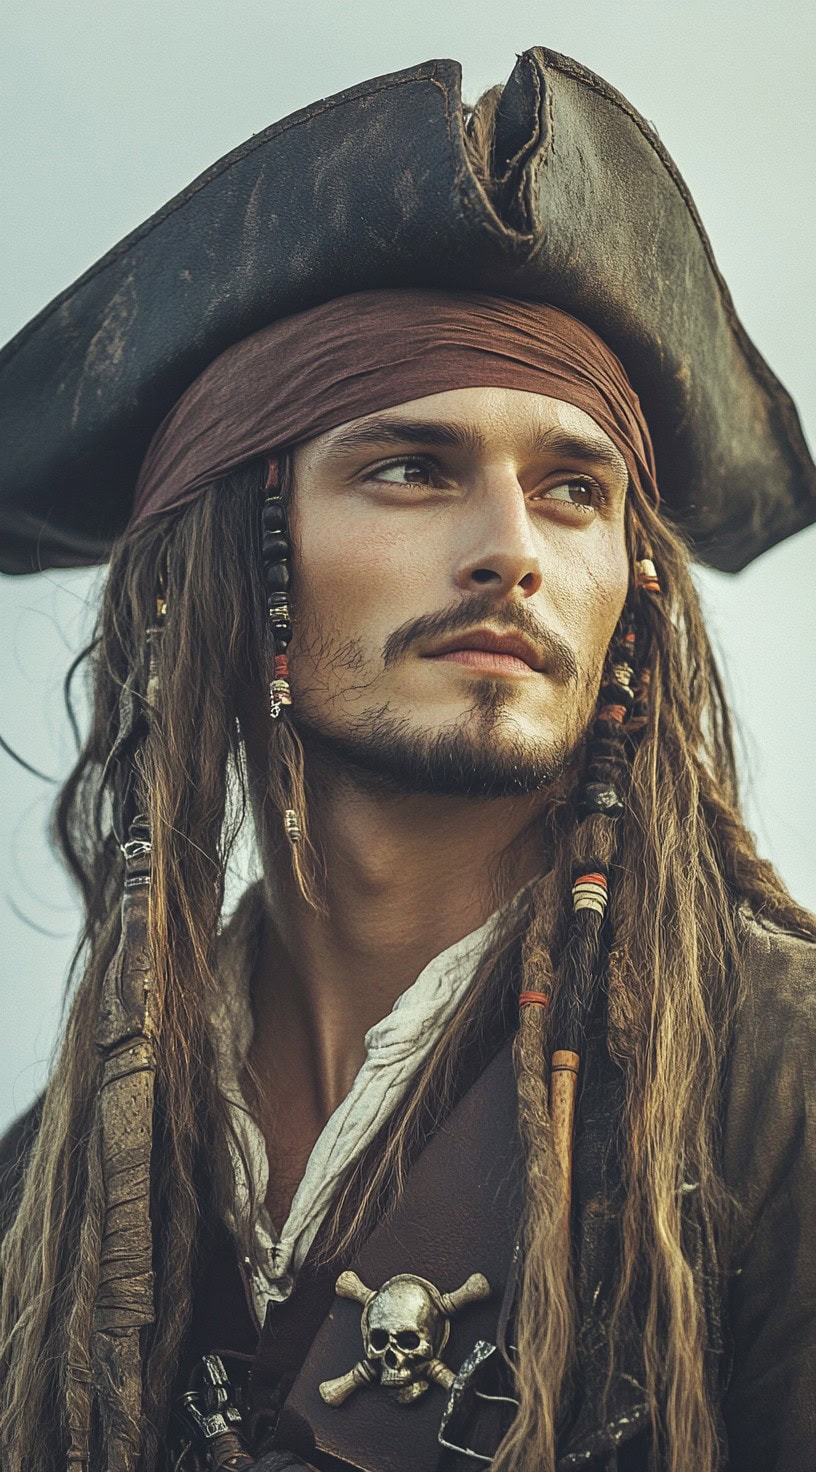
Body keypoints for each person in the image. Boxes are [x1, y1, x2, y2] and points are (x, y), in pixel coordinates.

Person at [0, 48, 814, 1472]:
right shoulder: (48, 1198)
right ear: (219, 569)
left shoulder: (782, 1091)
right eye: (410, 468)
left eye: (575, 490)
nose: (513, 547)